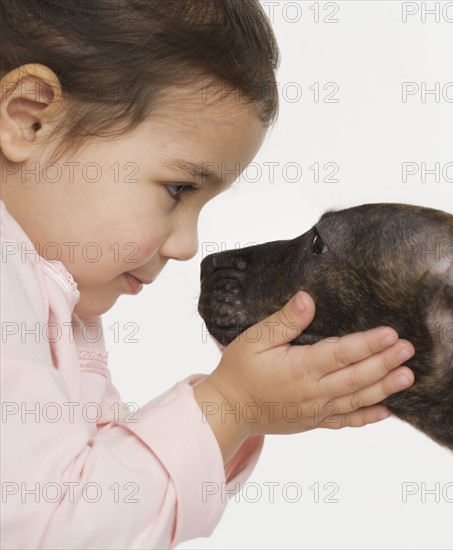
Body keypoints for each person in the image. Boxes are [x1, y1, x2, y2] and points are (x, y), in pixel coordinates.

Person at [0, 1, 415, 548]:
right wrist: (230, 407)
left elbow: (102, 492)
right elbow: (51, 528)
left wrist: (243, 412)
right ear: (30, 119)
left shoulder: (55, 304)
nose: (187, 245)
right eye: (178, 190)